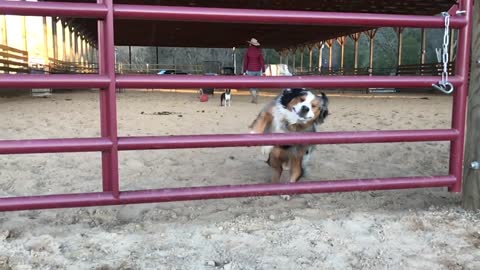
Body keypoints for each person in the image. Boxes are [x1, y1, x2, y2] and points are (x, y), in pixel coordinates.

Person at [243, 38, 265, 104]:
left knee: (251, 85)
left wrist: (244, 70)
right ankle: (255, 98)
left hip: (250, 70)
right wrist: (263, 70)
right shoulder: (259, 51)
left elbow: (245, 62)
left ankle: (254, 97)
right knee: (256, 84)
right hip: (258, 70)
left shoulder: (248, 51)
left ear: (250, 44)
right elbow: (262, 61)